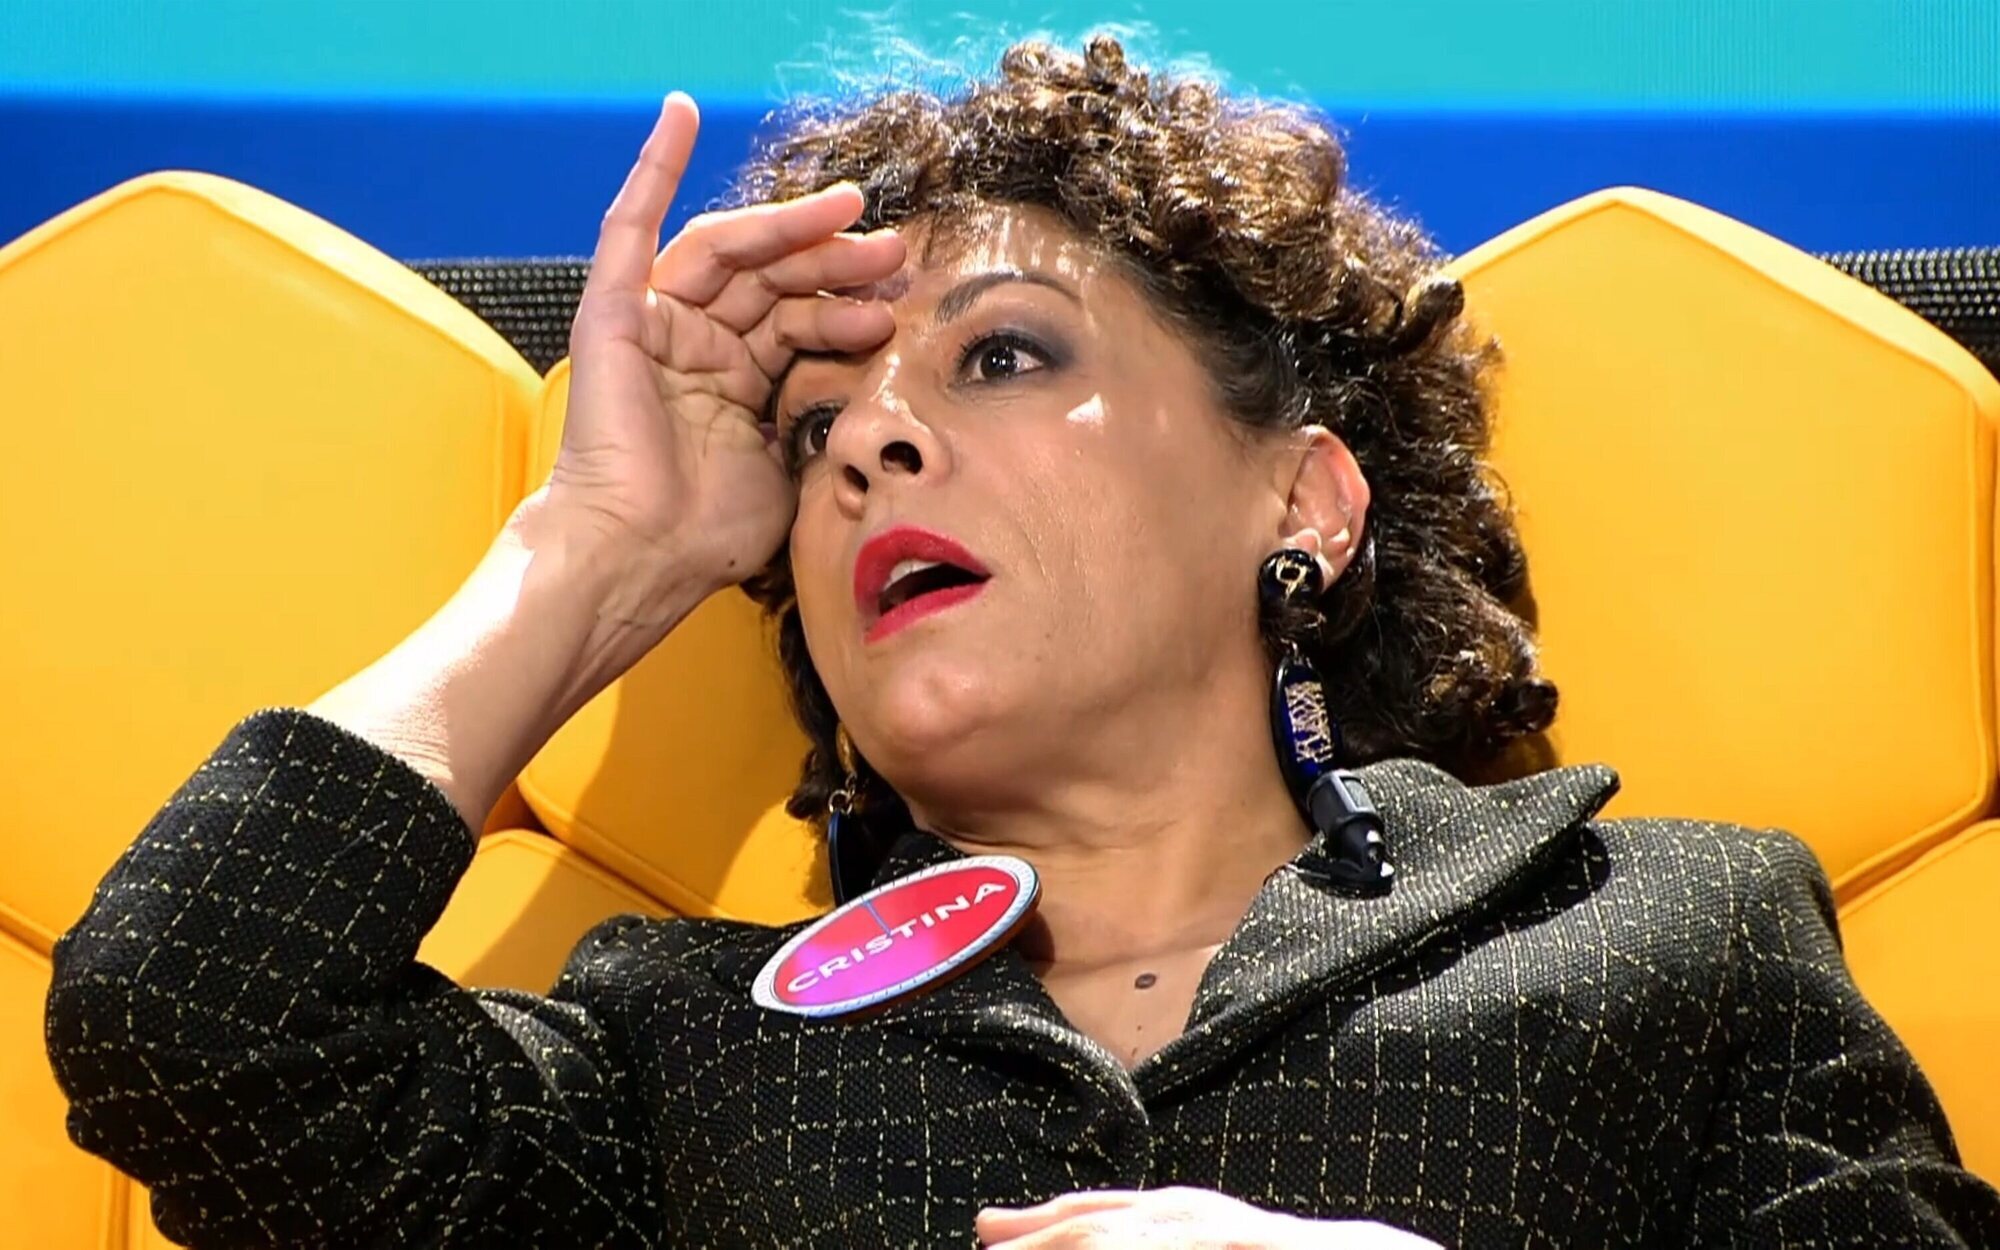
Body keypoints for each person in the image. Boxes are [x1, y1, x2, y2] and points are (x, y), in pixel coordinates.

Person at [43, 35, 2000, 1250]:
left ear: (1301, 497)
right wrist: (601, 546)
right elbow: (190, 1031)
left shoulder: (1670, 937)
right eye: (819, 434)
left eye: (1001, 357)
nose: (871, 444)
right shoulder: (678, 1050)